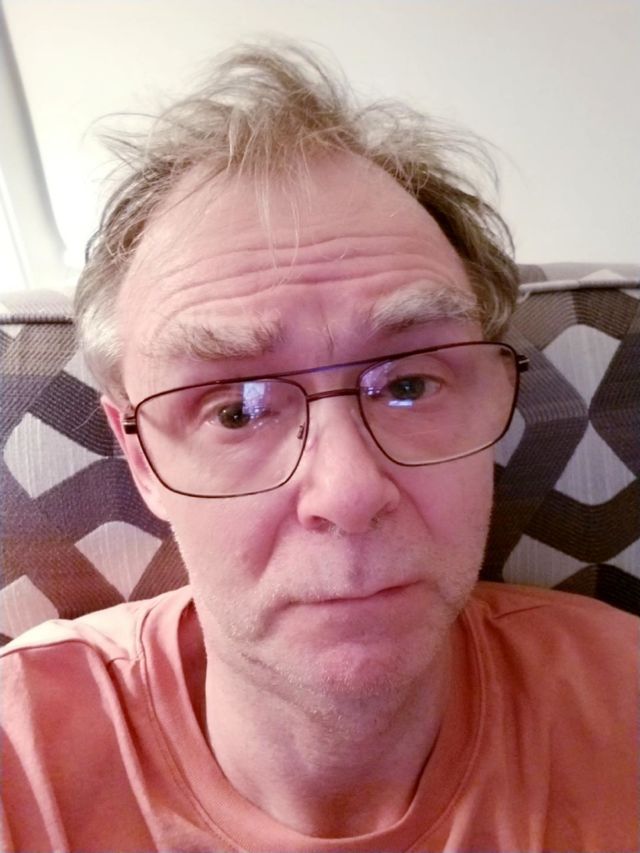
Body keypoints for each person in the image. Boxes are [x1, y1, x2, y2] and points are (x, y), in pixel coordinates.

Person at [1, 42, 637, 852]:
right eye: (237, 411)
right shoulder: (20, 762)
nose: (349, 492)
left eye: (409, 384)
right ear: (142, 459)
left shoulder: (624, 699)